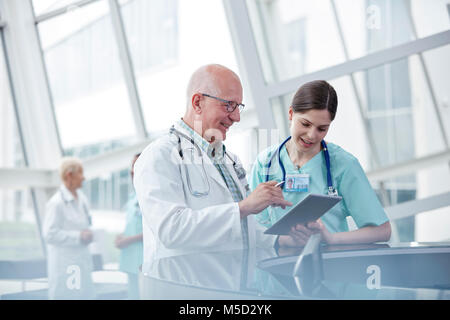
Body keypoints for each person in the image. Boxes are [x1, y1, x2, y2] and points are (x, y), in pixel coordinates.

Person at [134, 64, 296, 264]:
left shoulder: (228, 160)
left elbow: (241, 228)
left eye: (238, 107)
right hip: (185, 289)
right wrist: (244, 207)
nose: (236, 117)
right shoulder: (159, 155)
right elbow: (171, 230)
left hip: (234, 288)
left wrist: (281, 239)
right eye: (229, 105)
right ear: (198, 102)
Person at [249, 80, 391, 246]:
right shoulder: (265, 163)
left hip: (328, 266)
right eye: (305, 124)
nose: (311, 135)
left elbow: (383, 230)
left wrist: (331, 238)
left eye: (322, 128)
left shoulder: (344, 165)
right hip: (274, 266)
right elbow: (251, 228)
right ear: (290, 114)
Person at [43, 157, 96, 299]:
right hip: (65, 265)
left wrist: (87, 234)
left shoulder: (82, 198)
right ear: (69, 175)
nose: (83, 177)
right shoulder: (56, 203)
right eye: (80, 173)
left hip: (81, 261)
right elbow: (49, 234)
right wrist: (78, 236)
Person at [115, 153, 143, 299]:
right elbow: (133, 224)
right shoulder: (133, 196)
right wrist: (121, 237)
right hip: (131, 258)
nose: (132, 171)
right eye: (131, 167)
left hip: (143, 260)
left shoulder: (149, 195)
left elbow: (156, 230)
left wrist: (128, 240)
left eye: (136, 166)